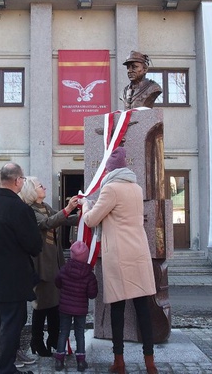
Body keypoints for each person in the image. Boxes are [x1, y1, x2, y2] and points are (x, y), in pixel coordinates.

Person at [81, 147, 158, 374]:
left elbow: (92, 220)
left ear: (110, 169)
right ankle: (150, 362)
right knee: (143, 308)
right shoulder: (135, 187)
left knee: (117, 309)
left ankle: (119, 361)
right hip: (139, 253)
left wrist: (86, 204)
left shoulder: (111, 189)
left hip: (119, 255)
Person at [0, 163, 43, 374]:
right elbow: (34, 246)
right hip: (13, 277)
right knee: (11, 323)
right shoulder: (20, 209)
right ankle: (6, 368)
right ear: (17, 181)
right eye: (22, 180)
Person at [17, 176, 79, 358]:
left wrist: (85, 215)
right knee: (42, 304)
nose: (43, 187)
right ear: (31, 191)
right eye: (39, 185)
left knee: (55, 303)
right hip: (41, 263)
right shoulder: (30, 210)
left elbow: (63, 219)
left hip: (55, 261)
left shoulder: (45, 207)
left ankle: (53, 339)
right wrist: (68, 209)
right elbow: (48, 223)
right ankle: (36, 341)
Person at [53, 240, 98, 372]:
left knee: (63, 332)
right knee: (80, 333)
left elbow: (57, 283)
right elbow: (92, 294)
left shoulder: (64, 269)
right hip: (81, 309)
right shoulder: (89, 275)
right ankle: (81, 361)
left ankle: (59, 360)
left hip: (65, 308)